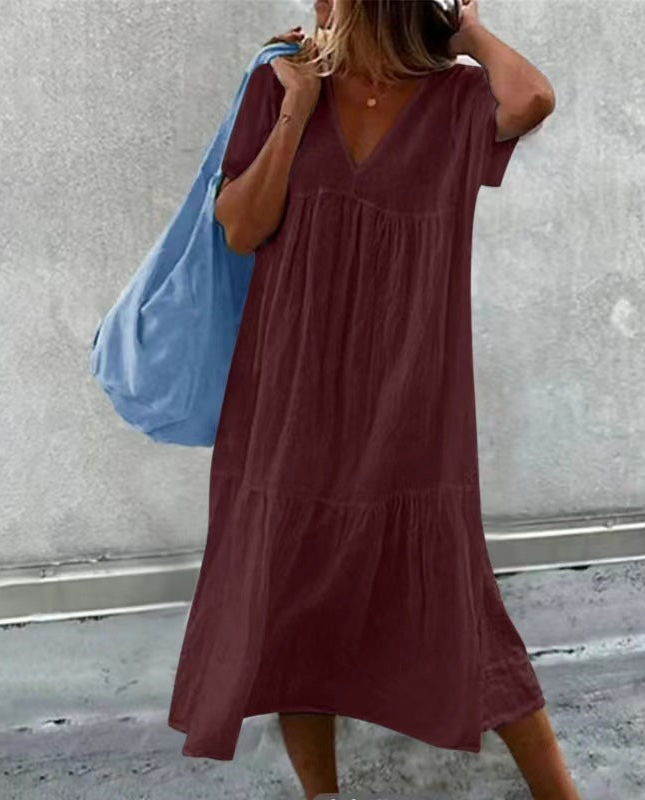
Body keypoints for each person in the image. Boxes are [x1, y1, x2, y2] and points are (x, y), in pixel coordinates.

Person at [168, 2, 579, 799]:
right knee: (290, 604)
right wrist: (296, 111)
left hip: (410, 402)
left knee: (462, 610)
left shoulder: (455, 102)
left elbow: (532, 98)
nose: (317, 5)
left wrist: (465, 31)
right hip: (289, 396)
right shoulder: (282, 81)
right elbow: (241, 229)